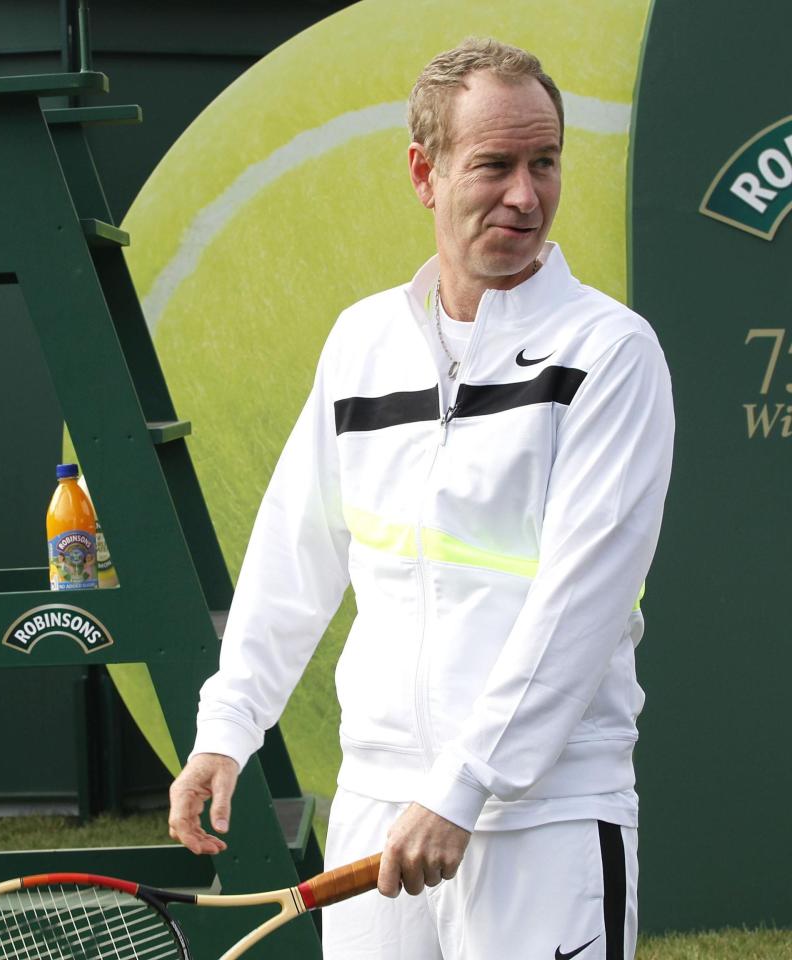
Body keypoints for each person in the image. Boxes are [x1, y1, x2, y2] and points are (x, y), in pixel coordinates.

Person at [168, 36, 674, 960]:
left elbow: (582, 600)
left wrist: (466, 784)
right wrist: (228, 728)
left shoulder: (613, 351)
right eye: (495, 165)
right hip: (377, 809)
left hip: (545, 815)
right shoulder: (361, 344)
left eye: (545, 163)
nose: (526, 194)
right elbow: (296, 553)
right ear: (424, 172)